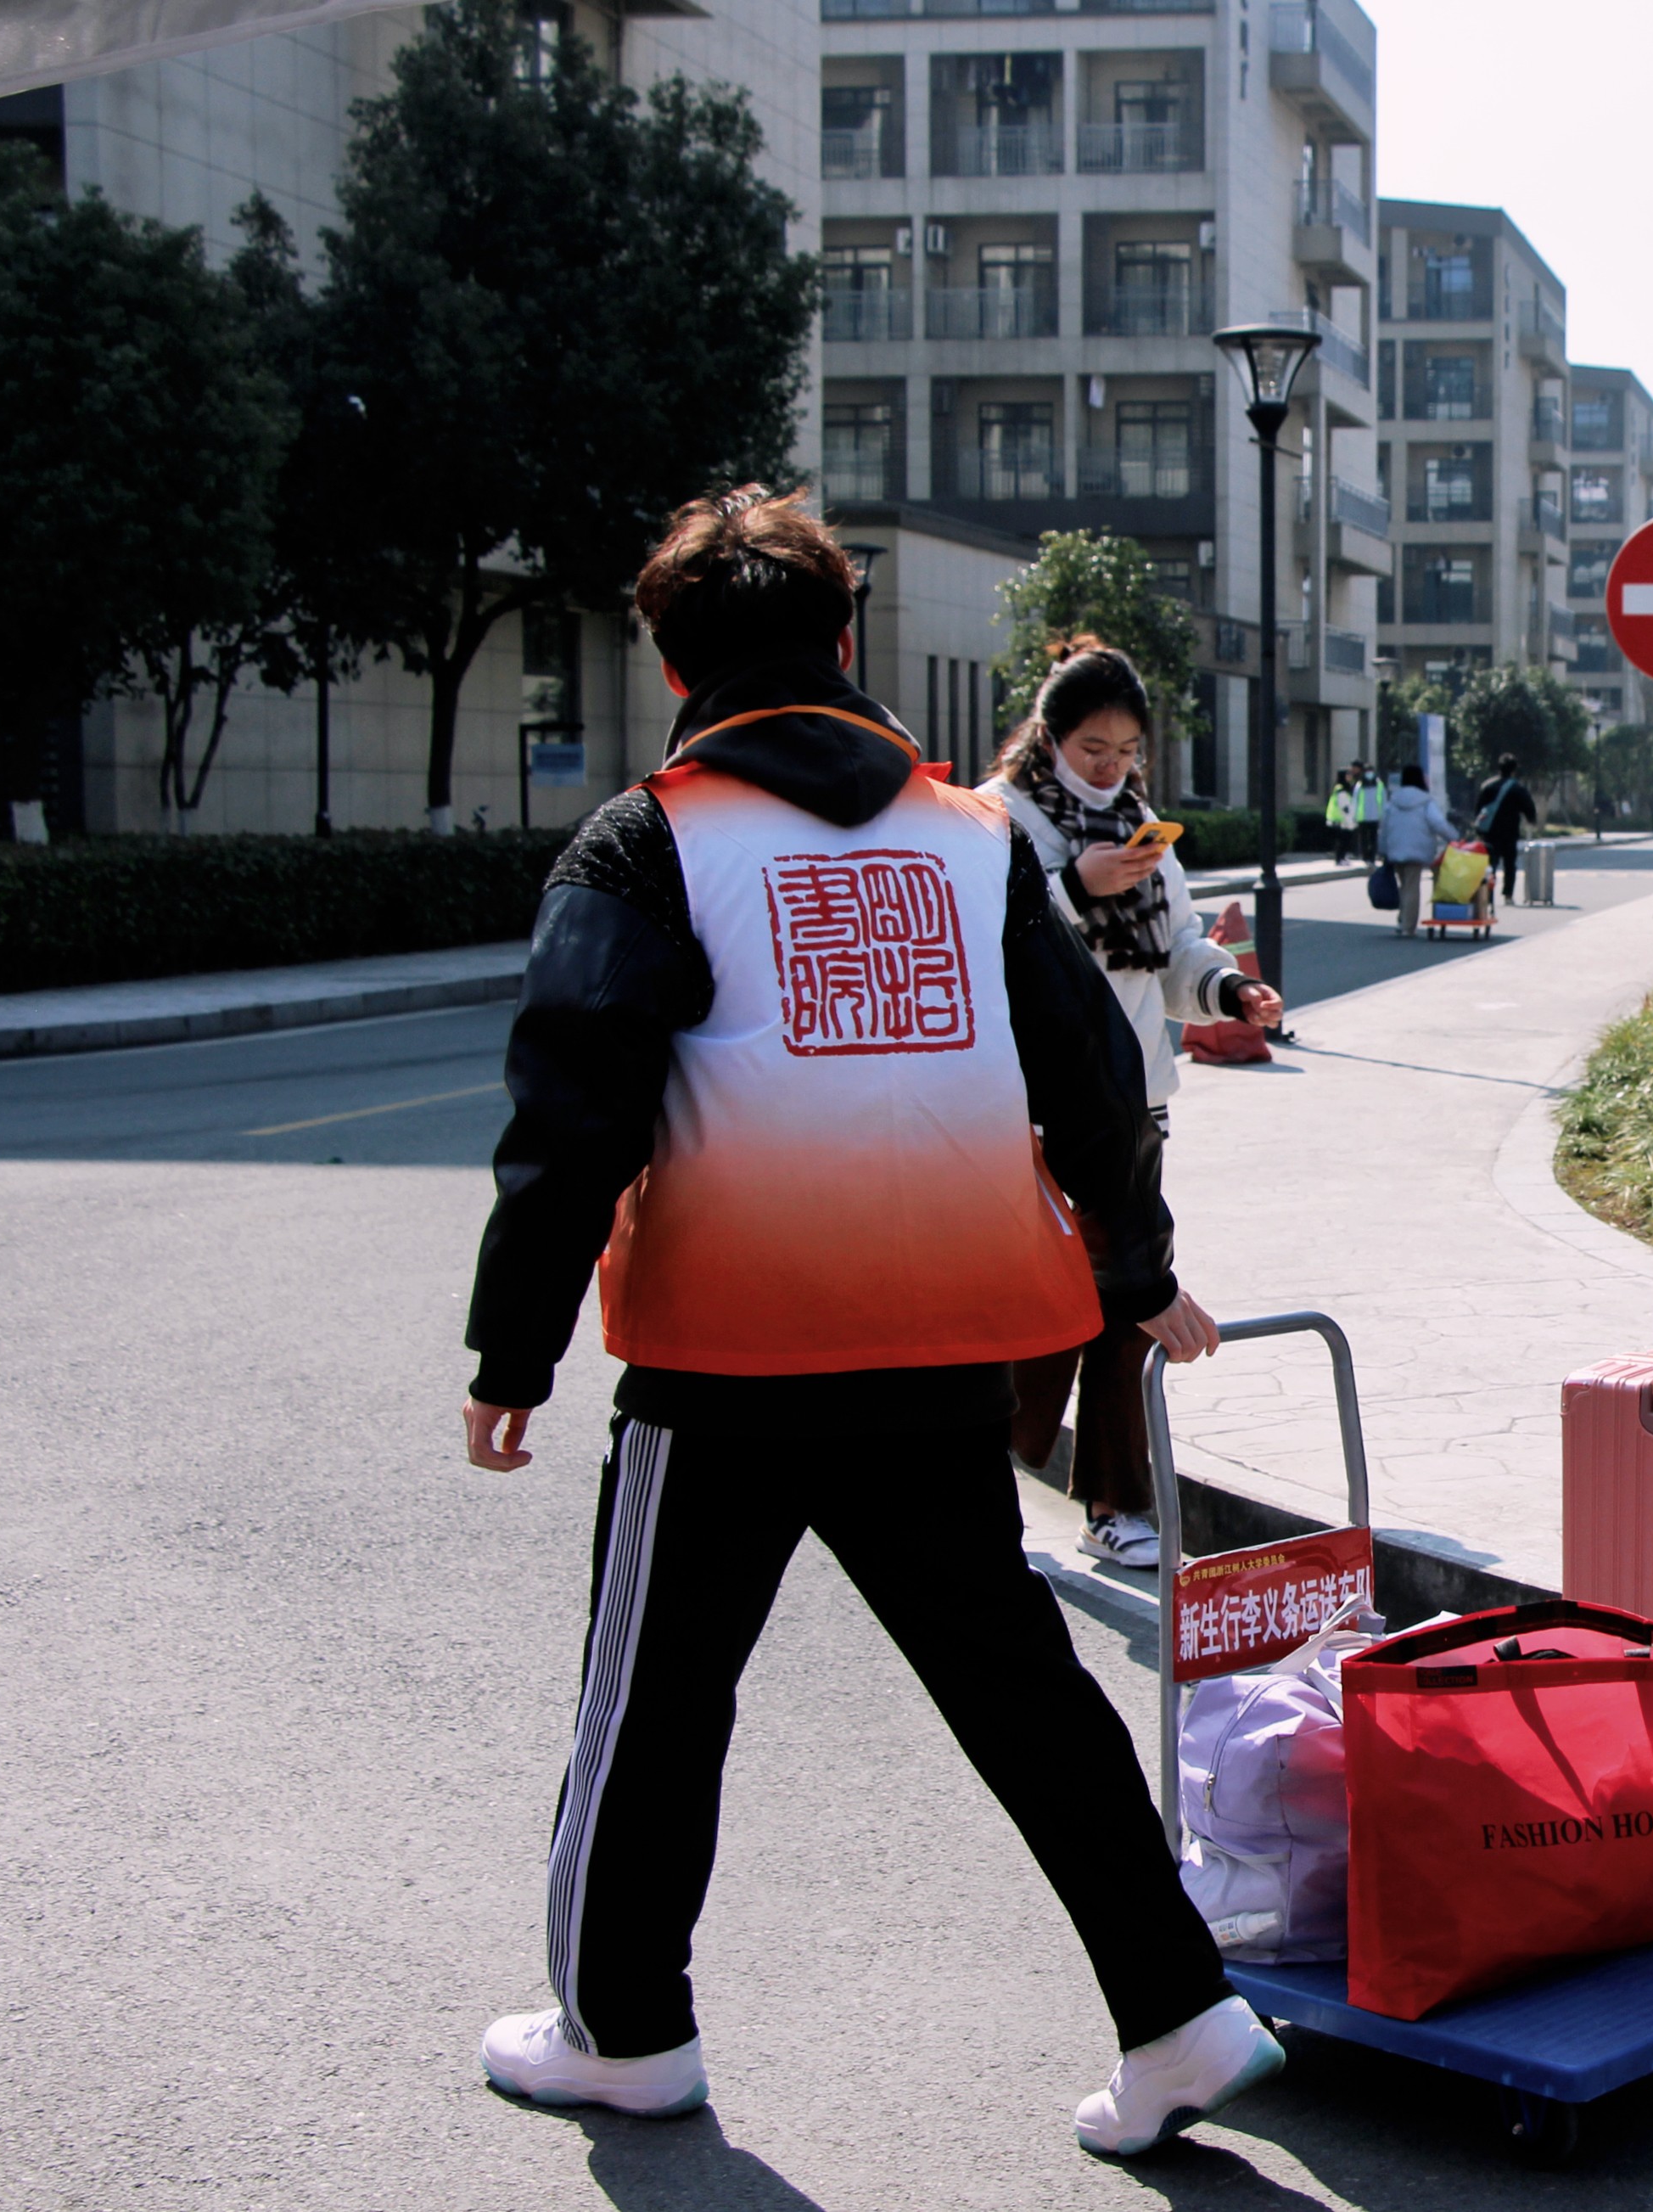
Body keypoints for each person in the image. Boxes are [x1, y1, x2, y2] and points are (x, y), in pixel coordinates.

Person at [457, 486, 1283, 2154]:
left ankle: (622, 2030)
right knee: (1021, 1689)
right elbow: (1096, 1080)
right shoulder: (971, 842)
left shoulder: (648, 838)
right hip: (937, 1348)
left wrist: (511, 1348)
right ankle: (1180, 2011)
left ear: (670, 656)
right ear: (843, 643)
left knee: (658, 1699)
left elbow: (572, 1115)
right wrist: (1131, 1270)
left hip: (726, 1357)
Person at [981, 637, 1284, 1569]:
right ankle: (992, 1474)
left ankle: (1116, 1501)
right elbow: (994, 947)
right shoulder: (1000, 821)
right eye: (1091, 751)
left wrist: (1229, 990)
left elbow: (1180, 947)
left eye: (1124, 752)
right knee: (1044, 1300)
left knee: (1126, 1304)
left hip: (1134, 1100)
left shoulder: (1145, 825)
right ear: (1050, 735)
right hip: (1034, 1106)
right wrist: (1076, 886)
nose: (1111, 771)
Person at [1373, 762, 1455, 939]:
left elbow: (1384, 827)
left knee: (1404, 886)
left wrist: (1382, 849)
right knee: (1412, 887)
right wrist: (1455, 838)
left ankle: (1402, 920)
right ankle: (1407, 927)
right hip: (1417, 850)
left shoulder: (1393, 800)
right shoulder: (1425, 801)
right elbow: (1438, 824)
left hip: (1395, 849)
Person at [1470, 751, 1539, 898]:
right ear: (1514, 770)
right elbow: (1529, 808)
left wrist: (1478, 825)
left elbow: (1478, 809)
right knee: (1509, 864)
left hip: (1489, 832)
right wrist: (1531, 821)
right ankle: (1508, 894)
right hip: (1510, 832)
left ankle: (1488, 895)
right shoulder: (1518, 788)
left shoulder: (1488, 786)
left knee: (1490, 864)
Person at [1324, 765, 1361, 864]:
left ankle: (1342, 857)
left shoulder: (1346, 788)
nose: (1350, 776)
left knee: (1345, 840)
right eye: (1348, 774)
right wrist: (1350, 821)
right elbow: (1344, 807)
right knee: (1342, 840)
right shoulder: (1340, 789)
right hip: (1340, 819)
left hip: (1343, 819)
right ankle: (1339, 859)